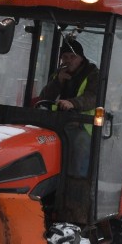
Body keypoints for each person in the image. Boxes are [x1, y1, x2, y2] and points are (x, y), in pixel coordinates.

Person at [38, 39, 99, 177]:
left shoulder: (93, 74)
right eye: (65, 57)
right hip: (57, 123)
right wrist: (58, 82)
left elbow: (93, 97)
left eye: (73, 57)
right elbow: (43, 98)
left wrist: (73, 103)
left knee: (80, 146)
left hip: (84, 125)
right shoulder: (58, 74)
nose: (69, 60)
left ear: (81, 58)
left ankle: (77, 183)